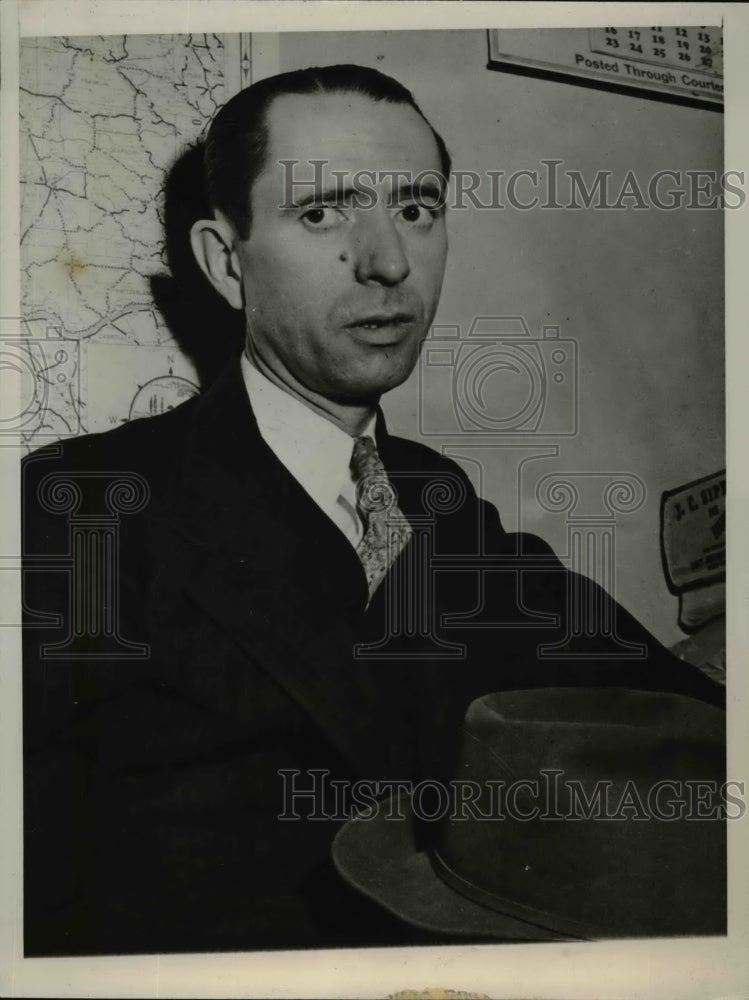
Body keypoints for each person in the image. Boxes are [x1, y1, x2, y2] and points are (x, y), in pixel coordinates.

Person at [22, 64, 723, 957]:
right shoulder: (78, 510)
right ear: (223, 262)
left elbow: (648, 688)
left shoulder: (438, 500)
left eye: (416, 208)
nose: (389, 261)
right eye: (322, 212)